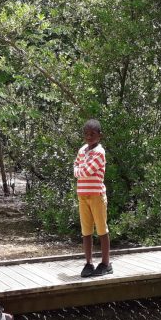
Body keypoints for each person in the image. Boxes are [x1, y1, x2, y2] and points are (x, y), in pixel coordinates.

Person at [74, 119, 112, 277]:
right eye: (86, 134)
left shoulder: (99, 152)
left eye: (92, 134)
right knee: (86, 231)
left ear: (99, 135)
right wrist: (79, 169)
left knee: (102, 230)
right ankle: (88, 263)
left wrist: (79, 169)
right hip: (83, 195)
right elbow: (76, 167)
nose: (89, 137)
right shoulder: (82, 150)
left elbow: (85, 171)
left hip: (97, 195)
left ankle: (106, 263)